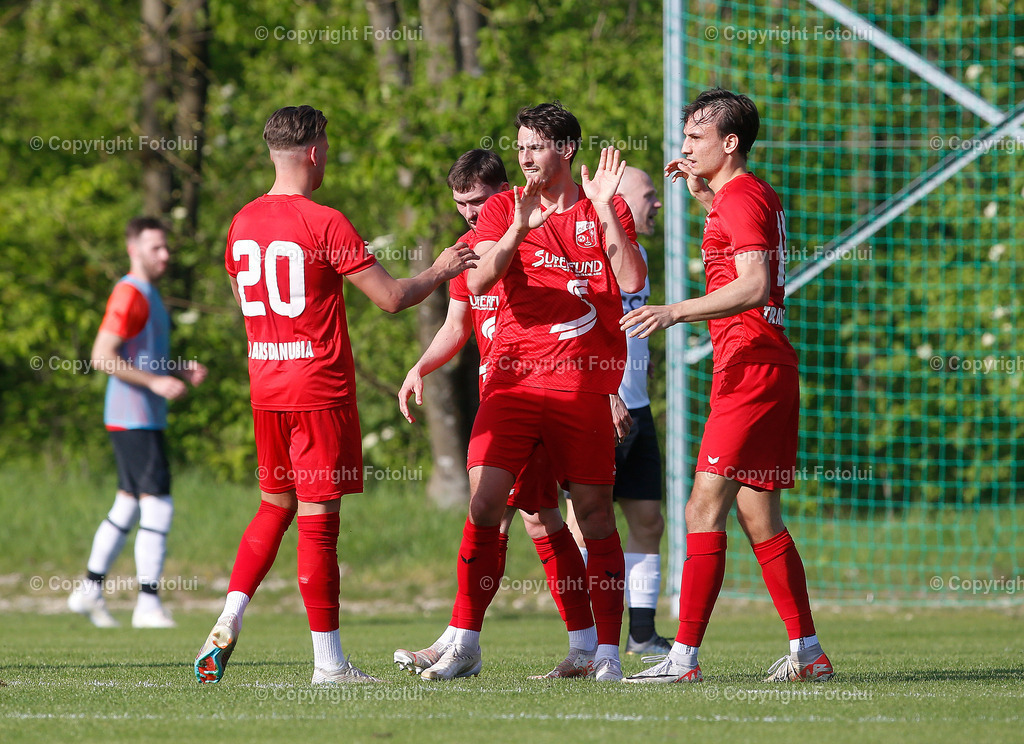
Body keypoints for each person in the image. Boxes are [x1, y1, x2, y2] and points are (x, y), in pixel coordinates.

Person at [193, 105, 476, 685]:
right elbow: (393, 298)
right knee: (319, 522)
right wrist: (442, 268)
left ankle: (230, 614)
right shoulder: (325, 221)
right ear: (315, 152)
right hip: (317, 389)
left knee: (275, 506)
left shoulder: (242, 221)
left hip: (265, 388)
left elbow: (244, 295)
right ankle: (329, 664)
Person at [419, 102, 646, 682]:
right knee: (485, 502)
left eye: (535, 146)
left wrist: (602, 209)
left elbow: (633, 281)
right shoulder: (501, 207)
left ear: (565, 150)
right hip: (514, 384)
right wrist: (518, 226)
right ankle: (465, 642)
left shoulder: (604, 206)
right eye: (519, 146)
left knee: (593, 517)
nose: (523, 156)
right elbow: (476, 282)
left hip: (580, 385)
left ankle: (608, 655)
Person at [621, 88, 834, 683]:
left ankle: (682, 659)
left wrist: (674, 311)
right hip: (762, 366)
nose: (684, 147)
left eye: (695, 138)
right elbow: (741, 250)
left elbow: (754, 284)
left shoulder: (739, 199)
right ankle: (809, 654)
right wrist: (702, 192)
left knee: (701, 506)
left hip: (750, 369)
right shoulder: (748, 192)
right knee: (759, 517)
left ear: (729, 143)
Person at [394, 149, 605, 680]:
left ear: (507, 192)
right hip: (504, 396)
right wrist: (420, 366)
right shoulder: (465, 254)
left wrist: (612, 388)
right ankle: (563, 644)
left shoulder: (536, 241)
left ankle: (466, 640)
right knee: (529, 516)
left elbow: (583, 317)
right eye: (461, 203)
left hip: (545, 393)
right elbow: (456, 326)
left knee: (509, 511)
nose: (470, 213)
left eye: (481, 201)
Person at [68, 217, 208, 629]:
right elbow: (103, 356)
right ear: (133, 249)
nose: (165, 255)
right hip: (133, 418)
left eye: (166, 247)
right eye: (155, 248)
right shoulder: (129, 293)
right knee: (158, 503)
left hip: (140, 418)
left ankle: (90, 589)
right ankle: (147, 604)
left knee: (128, 503)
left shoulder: (150, 294)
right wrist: (156, 382)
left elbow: (144, 356)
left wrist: (177, 370)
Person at [567, 166, 672, 655]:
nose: (656, 203)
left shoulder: (638, 256)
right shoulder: (587, 252)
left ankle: (643, 635)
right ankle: (586, 635)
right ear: (618, 198)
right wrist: (601, 390)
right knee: (585, 521)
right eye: (648, 195)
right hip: (598, 404)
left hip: (639, 407)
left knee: (648, 520)